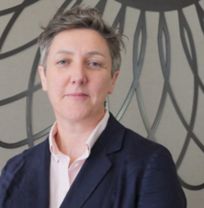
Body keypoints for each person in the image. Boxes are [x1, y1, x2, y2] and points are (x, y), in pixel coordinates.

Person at [0, 6, 186, 208]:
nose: (78, 76)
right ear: (44, 77)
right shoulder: (16, 170)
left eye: (94, 63)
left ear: (113, 80)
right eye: (63, 61)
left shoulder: (150, 164)